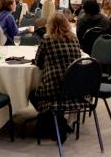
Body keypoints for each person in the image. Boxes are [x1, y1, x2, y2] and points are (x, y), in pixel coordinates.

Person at [30, 13, 81, 143]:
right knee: (46, 94)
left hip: (53, 89)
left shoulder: (47, 40)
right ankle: (58, 121)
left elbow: (38, 63)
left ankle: (54, 123)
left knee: (32, 93)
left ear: (50, 25)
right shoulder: (74, 38)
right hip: (73, 88)